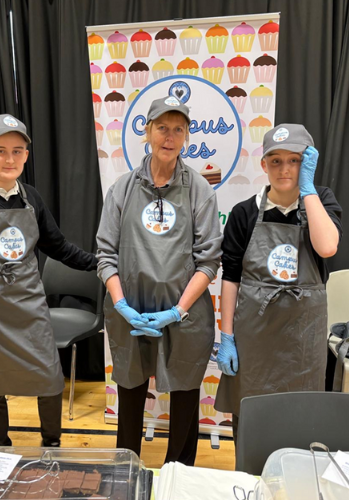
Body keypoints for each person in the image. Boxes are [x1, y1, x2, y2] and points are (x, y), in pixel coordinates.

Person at [0, 114, 98, 447]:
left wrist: (102, 265)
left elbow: (59, 247)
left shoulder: (31, 199)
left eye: (17, 151)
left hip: (28, 309)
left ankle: (52, 445)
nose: (9, 159)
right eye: (0, 150)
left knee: (50, 379)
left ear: (26, 154)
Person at [96, 97, 222, 465]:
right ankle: (127, 468)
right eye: (162, 127)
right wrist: (120, 305)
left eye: (178, 129)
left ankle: (179, 474)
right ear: (147, 131)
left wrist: (178, 310)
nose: (170, 136)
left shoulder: (199, 189)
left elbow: (209, 259)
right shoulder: (121, 189)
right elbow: (105, 255)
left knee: (184, 395)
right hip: (130, 312)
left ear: (186, 136)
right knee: (131, 393)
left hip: (185, 315)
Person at [215, 124, 342, 438]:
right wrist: (227, 336)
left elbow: (327, 246)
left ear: (308, 161)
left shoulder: (320, 202)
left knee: (300, 418)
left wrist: (308, 190)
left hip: (303, 337)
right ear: (263, 165)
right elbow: (230, 279)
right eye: (276, 161)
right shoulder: (244, 213)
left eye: (295, 160)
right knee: (251, 417)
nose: (285, 169)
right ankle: (247, 479)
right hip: (254, 337)